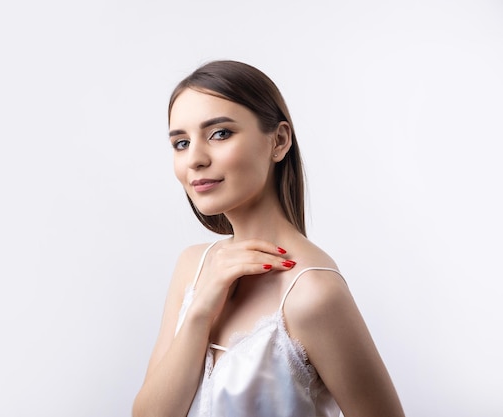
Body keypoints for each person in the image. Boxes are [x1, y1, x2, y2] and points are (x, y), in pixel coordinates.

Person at [132, 60, 405, 417]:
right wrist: (200, 310)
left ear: (279, 141)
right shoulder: (192, 267)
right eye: (181, 143)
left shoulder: (312, 292)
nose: (195, 159)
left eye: (219, 134)